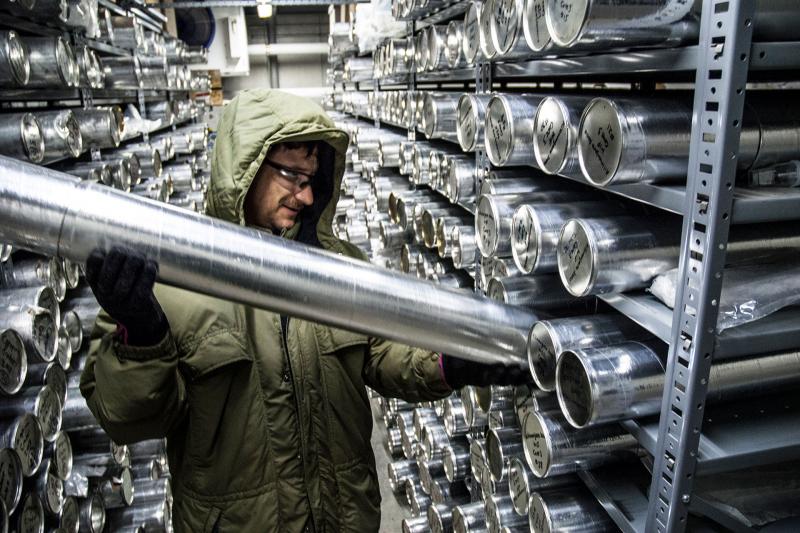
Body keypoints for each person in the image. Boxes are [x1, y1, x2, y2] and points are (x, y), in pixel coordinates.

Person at [79, 89, 528, 532]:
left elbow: (382, 354)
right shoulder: (173, 277)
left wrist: (448, 361)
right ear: (245, 169)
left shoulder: (338, 268)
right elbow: (127, 420)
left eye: (313, 180)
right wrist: (141, 336)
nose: (307, 197)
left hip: (342, 518)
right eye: (293, 176)